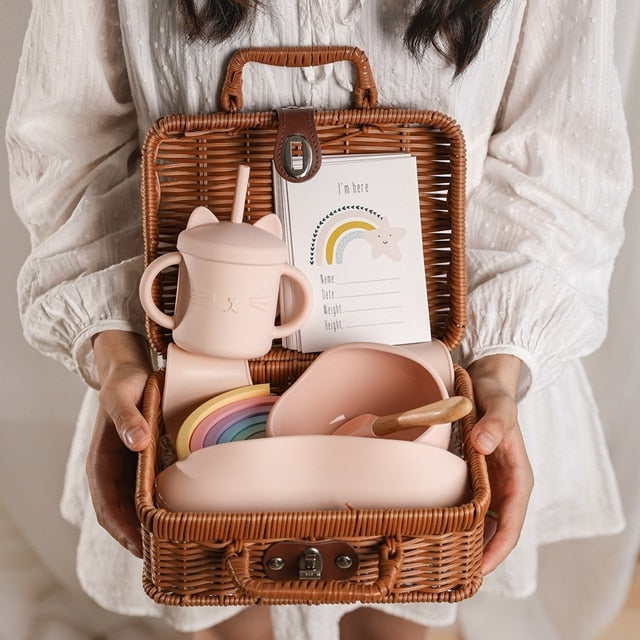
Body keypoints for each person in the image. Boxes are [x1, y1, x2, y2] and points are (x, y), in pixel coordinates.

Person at [6, 1, 631, 639]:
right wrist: (118, 354)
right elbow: (68, 144)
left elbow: (559, 164)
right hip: (193, 361)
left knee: (404, 613)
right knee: (219, 597)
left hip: (451, 351)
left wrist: (497, 372)